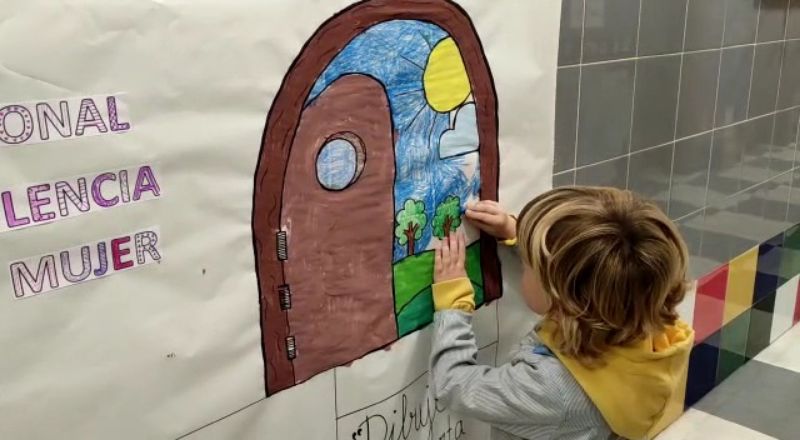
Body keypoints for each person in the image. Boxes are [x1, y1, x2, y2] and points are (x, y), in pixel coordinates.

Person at [430, 187, 694, 440]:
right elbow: (580, 274)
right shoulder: (634, 320)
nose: (524, 268)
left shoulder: (551, 388)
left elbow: (454, 384)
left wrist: (453, 303)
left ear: (562, 297)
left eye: (528, 265)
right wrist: (514, 232)